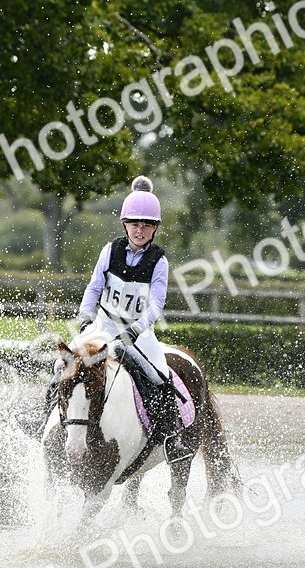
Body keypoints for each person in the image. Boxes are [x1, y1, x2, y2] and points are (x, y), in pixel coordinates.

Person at [22, 175, 192, 464]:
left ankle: (170, 439)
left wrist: (138, 329)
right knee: (60, 364)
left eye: (147, 225)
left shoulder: (159, 261)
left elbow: (156, 303)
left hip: (138, 331)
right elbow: (94, 287)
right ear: (125, 224)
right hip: (104, 325)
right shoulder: (110, 250)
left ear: (154, 228)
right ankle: (42, 418)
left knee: (159, 376)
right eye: (135, 224)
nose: (140, 230)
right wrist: (86, 317)